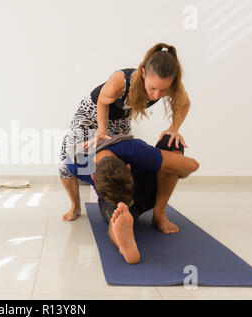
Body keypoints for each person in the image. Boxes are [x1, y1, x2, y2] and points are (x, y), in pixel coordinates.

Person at [59, 42, 191, 221]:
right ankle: (75, 206)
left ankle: (124, 200)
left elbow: (184, 103)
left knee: (118, 162)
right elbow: (102, 103)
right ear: (143, 73)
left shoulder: (168, 86)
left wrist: (174, 128)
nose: (157, 95)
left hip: (120, 119)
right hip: (92, 113)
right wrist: (101, 131)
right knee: (67, 162)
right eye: (153, 88)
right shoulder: (120, 82)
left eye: (163, 89)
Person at [64, 134, 199, 264]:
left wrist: (171, 166)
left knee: (171, 142)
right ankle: (124, 242)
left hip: (148, 191)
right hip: (114, 199)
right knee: (117, 215)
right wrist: (74, 206)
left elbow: (192, 165)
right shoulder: (76, 159)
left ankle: (159, 213)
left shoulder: (134, 150)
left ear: (128, 167)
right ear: (93, 177)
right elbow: (64, 175)